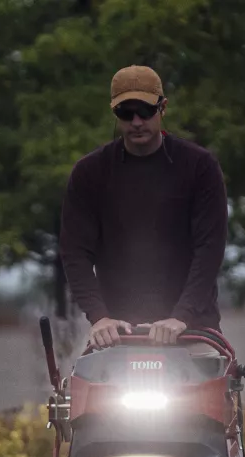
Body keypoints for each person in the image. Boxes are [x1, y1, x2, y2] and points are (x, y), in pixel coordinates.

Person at [59, 64, 229, 350]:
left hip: (192, 331)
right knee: (85, 390)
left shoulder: (199, 167)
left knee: (212, 390)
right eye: (126, 113)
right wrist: (99, 317)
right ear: (115, 113)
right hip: (119, 336)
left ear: (162, 108)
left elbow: (210, 247)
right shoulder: (90, 173)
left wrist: (181, 316)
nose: (136, 121)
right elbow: (74, 251)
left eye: (145, 111)